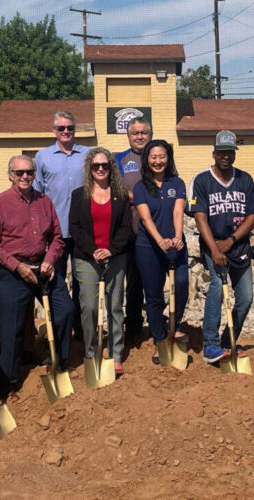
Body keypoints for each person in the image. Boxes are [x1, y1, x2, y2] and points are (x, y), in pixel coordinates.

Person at [0, 155, 73, 400]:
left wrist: (50, 259)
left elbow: (57, 236)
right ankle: (8, 383)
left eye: (29, 172)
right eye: (19, 172)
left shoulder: (44, 201)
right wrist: (17, 266)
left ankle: (59, 363)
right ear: (10, 175)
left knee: (64, 310)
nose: (25, 176)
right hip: (13, 270)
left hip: (42, 266)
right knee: (11, 326)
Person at [188, 130, 254, 364]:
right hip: (213, 245)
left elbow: (251, 217)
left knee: (246, 297)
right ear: (214, 153)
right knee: (217, 287)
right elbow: (200, 218)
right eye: (222, 152)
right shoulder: (202, 180)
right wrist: (216, 250)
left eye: (230, 152)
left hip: (239, 247)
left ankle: (229, 341)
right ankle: (210, 343)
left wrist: (232, 241)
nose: (226, 156)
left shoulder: (245, 179)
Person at [69, 148, 132, 374]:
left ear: (111, 167)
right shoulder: (79, 195)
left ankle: (115, 354)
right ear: (90, 168)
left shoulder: (121, 194)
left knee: (114, 306)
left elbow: (126, 227)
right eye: (96, 165)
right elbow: (74, 228)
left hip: (115, 257)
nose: (101, 169)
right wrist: (94, 250)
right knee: (89, 307)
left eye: (105, 165)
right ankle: (92, 352)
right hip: (87, 258)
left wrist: (111, 250)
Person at [33, 110, 89, 339]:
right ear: (54, 130)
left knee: (81, 282)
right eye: (61, 128)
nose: (66, 132)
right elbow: (37, 194)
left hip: (82, 232)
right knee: (55, 282)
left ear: (75, 129)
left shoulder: (87, 154)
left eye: (70, 128)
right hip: (54, 234)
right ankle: (59, 329)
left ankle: (80, 328)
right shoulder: (43, 156)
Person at [133, 140, 189, 364]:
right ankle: (159, 340)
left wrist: (176, 237)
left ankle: (172, 326)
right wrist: (160, 240)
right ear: (147, 159)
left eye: (162, 156)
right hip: (149, 247)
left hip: (175, 245)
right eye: (153, 157)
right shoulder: (140, 187)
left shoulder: (177, 182)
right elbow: (145, 218)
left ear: (168, 158)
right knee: (154, 295)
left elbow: (178, 211)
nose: (158, 161)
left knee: (182, 284)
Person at [115, 117, 151, 345]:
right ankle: (133, 324)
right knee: (133, 282)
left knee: (153, 281)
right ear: (128, 136)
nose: (139, 136)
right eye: (135, 133)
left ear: (150, 134)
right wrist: (143, 199)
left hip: (156, 230)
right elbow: (117, 189)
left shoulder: (159, 155)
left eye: (144, 132)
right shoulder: (119, 159)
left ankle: (157, 321)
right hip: (129, 232)